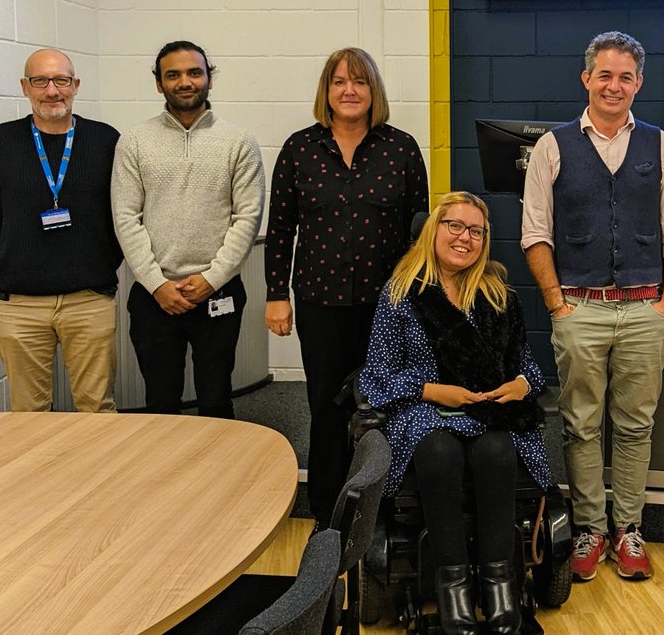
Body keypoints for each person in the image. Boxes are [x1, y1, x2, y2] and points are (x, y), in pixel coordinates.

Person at [521, 31, 664, 582]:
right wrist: (556, 303)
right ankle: (591, 528)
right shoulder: (553, 146)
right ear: (586, 79)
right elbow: (534, 234)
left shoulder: (658, 145)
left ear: (638, 84)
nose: (614, 85)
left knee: (636, 426)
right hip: (579, 309)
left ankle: (629, 528)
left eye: (625, 77)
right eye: (604, 75)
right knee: (580, 425)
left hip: (646, 310)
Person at [360, 192, 548, 635]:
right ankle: (454, 594)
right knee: (440, 453)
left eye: (476, 231)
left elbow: (528, 365)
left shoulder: (498, 294)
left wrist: (522, 384)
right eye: (455, 226)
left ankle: (500, 589)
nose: (465, 238)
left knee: (497, 450)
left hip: (488, 412)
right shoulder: (401, 294)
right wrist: (431, 390)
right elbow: (375, 377)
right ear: (435, 231)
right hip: (425, 411)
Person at [265, 47, 428, 528]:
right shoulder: (299, 149)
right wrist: (277, 294)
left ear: (373, 90)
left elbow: (419, 232)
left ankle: (386, 507)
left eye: (359, 81)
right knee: (326, 409)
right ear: (327, 91)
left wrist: (416, 301)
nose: (349, 90)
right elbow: (280, 231)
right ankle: (328, 514)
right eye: (339, 82)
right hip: (320, 303)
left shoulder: (401, 148)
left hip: (387, 306)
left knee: (386, 404)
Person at [112, 41, 264, 418]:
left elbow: (247, 217)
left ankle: (220, 477)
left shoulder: (238, 141)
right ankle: (165, 477)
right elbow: (126, 217)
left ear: (209, 77)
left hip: (218, 292)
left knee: (216, 400)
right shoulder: (133, 141)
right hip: (154, 297)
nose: (185, 82)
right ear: (158, 84)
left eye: (194, 72)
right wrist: (156, 283)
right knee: (161, 404)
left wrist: (212, 278)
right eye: (173, 75)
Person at [0, 49, 122, 412]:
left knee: (97, 407)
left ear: (76, 85)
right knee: (29, 415)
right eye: (41, 81)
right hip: (19, 305)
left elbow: (123, 214)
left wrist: (99, 265)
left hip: (88, 300)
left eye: (62, 81)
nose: (52, 91)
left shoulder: (106, 141)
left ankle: (100, 472)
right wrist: (19, 264)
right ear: (25, 87)